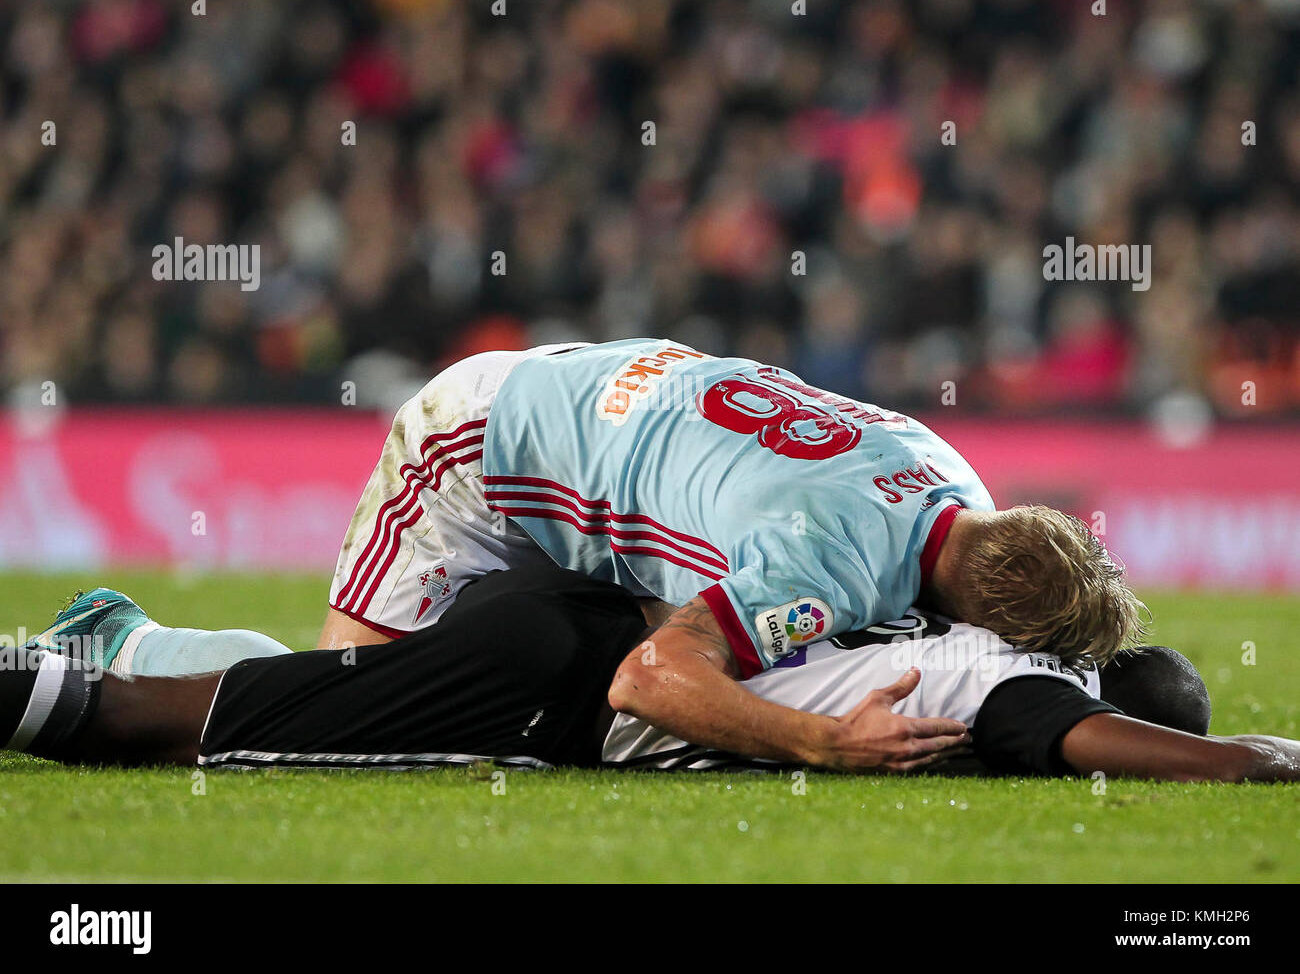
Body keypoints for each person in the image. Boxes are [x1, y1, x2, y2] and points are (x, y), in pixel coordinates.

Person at [26, 338, 1144, 769]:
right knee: (343, 702)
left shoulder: (954, 476)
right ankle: (130, 640)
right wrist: (819, 743)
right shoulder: (833, 563)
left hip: (595, 403)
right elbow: (652, 676)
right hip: (478, 450)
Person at [5, 568, 1294, 783]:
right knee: (179, 740)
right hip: (561, 684)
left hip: (588, 609)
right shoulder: (1003, 688)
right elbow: (1077, 739)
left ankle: (120, 636)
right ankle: (52, 682)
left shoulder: (936, 621)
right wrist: (1247, 759)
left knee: (303, 697)